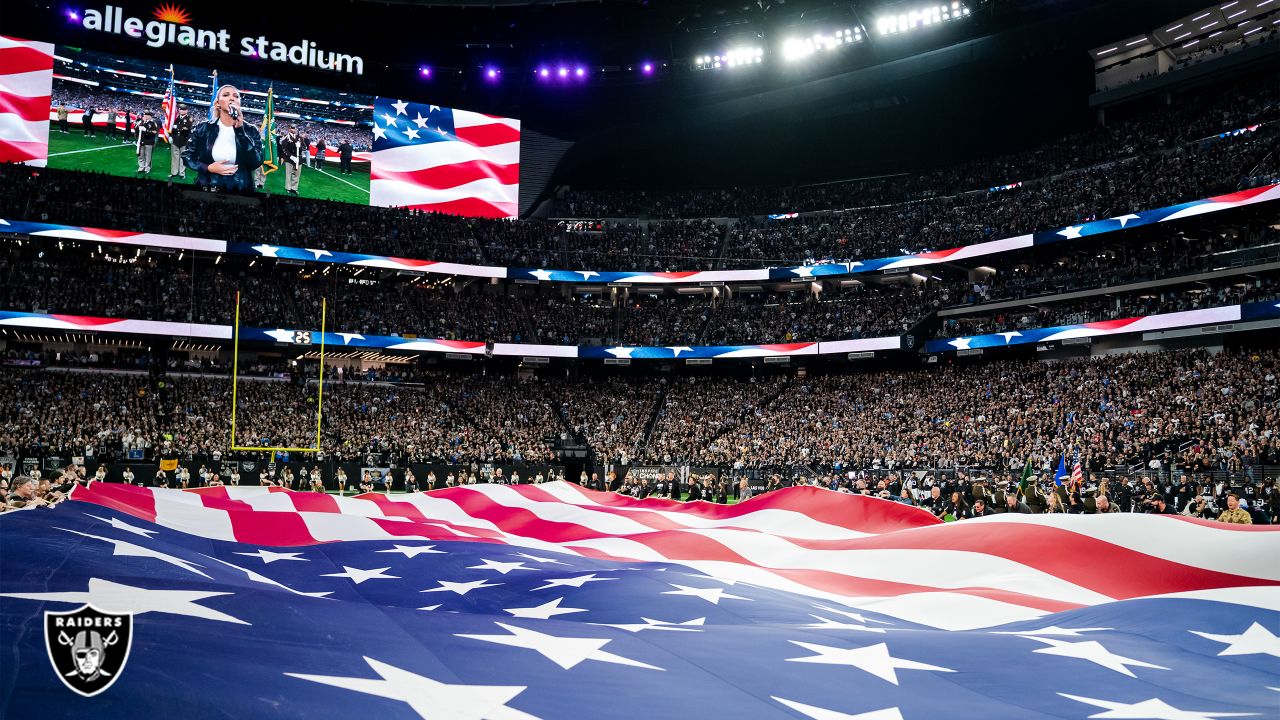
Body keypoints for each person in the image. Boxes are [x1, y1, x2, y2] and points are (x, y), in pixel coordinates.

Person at [183, 84, 264, 192]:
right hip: (207, 186)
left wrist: (240, 131)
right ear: (217, 103)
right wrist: (208, 168)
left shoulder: (251, 130)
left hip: (240, 189)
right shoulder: (202, 128)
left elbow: (256, 162)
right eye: (226, 95)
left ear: (240, 103)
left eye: (236, 96)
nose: (232, 98)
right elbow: (187, 156)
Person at [169, 105, 194, 179]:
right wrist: (170, 136)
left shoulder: (189, 118)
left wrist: (178, 127)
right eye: (181, 110)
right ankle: (174, 172)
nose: (182, 111)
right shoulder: (176, 118)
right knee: (174, 157)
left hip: (184, 140)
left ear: (186, 111)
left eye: (184, 110)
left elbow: (187, 128)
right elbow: (172, 127)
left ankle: (182, 173)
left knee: (182, 157)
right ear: (179, 110)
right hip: (175, 139)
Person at [278, 125, 304, 196]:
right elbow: (284, 149)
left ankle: (294, 188)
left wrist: (300, 145)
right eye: (292, 128)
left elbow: (305, 147)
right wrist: (291, 157)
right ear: (289, 129)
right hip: (289, 159)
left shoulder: (299, 137)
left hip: (298, 159)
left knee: (297, 174)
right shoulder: (285, 138)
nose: (294, 129)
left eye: (295, 128)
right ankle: (288, 188)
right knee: (288, 174)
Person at [135, 111, 159, 175]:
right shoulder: (141, 122)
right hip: (141, 141)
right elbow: (136, 129)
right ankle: (141, 167)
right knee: (141, 155)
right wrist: (139, 124)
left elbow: (154, 132)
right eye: (145, 115)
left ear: (150, 116)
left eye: (147, 115)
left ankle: (147, 168)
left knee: (148, 156)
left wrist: (146, 130)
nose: (145, 116)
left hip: (149, 141)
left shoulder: (153, 123)